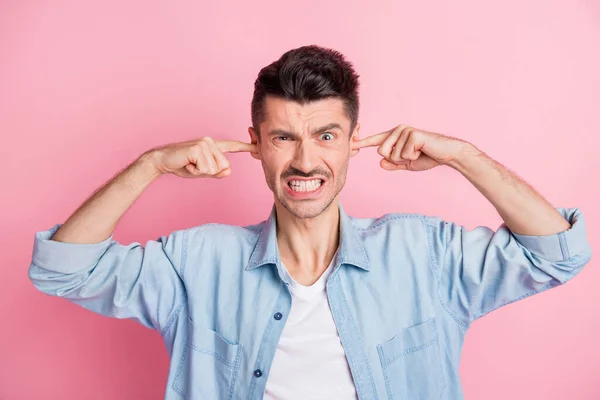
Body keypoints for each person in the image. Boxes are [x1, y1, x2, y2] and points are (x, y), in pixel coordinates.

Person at [28, 45, 592, 400]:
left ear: (352, 142)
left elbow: (556, 255)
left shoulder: (425, 254)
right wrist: (150, 165)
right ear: (256, 145)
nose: (304, 161)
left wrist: (464, 155)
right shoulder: (196, 264)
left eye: (325, 136)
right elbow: (63, 270)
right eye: (283, 137)